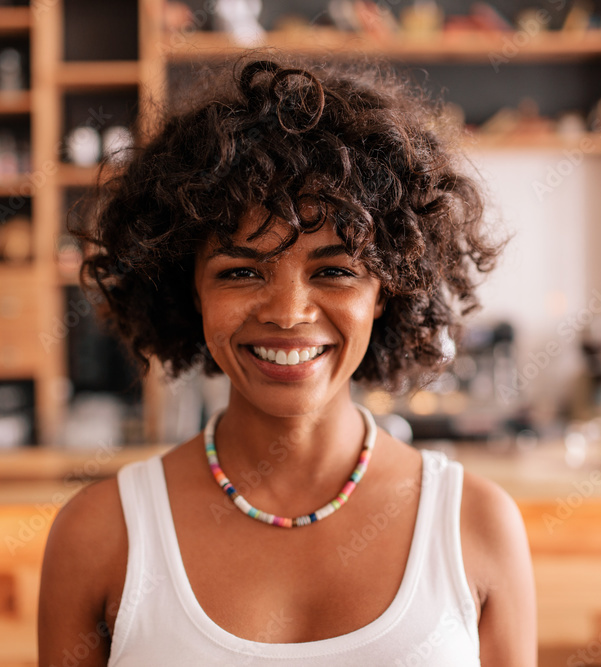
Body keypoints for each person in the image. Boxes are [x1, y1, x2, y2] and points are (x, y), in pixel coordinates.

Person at [38, 55, 536, 666]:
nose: (288, 312)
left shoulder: (477, 526)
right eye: (242, 271)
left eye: (335, 270)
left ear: (390, 290)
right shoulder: (97, 535)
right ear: (186, 289)